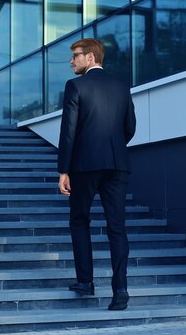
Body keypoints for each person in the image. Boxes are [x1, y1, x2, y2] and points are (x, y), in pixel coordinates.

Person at [57, 38, 136, 311]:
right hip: (117, 164)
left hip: (84, 166)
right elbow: (130, 128)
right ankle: (121, 290)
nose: (71, 61)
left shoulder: (75, 86)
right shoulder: (121, 86)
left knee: (79, 220)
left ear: (90, 57)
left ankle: (85, 281)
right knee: (117, 228)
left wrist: (63, 170)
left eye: (75, 56)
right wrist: (112, 149)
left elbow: (68, 131)